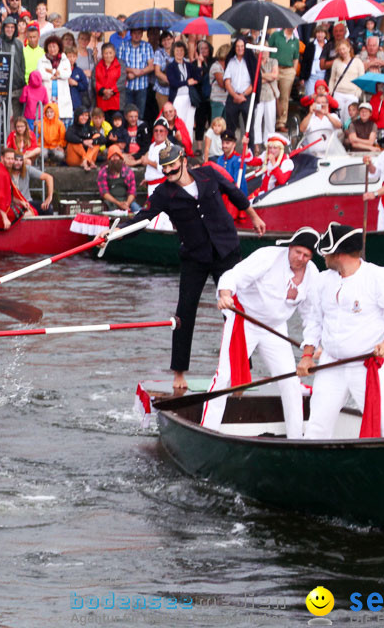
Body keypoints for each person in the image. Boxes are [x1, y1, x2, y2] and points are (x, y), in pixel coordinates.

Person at [124, 145, 266, 393]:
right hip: (194, 256)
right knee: (184, 312)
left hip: (226, 250)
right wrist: (115, 235)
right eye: (164, 167)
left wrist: (253, 215)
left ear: (184, 161)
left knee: (234, 312)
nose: (168, 171)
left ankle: (242, 370)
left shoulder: (209, 174)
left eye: (172, 165)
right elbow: (142, 219)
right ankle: (179, 372)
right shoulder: (163, 193)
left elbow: (233, 192)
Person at [201, 228, 321, 438]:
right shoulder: (267, 256)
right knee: (225, 377)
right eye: (298, 252)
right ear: (290, 247)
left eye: (306, 256)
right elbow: (233, 275)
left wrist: (311, 347)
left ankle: (296, 438)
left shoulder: (312, 275)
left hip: (275, 328)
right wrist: (226, 294)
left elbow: (311, 315)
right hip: (245, 320)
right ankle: (207, 432)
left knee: (290, 382)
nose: (301, 259)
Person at [298, 223, 384, 439]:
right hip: (331, 364)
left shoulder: (378, 277)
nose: (323, 257)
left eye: (327, 253)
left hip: (368, 364)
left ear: (339, 254)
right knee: (316, 428)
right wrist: (306, 356)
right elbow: (314, 321)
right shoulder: (323, 281)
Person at [0, 147, 36, 230]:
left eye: (12, 159)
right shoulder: (0, 174)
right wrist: (4, 218)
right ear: (2, 158)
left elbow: (8, 194)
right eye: (8, 158)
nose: (11, 161)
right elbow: (0, 198)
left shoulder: (2, 169)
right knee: (31, 212)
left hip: (0, 207)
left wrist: (20, 202)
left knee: (30, 208)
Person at [268, 27, 300, 131]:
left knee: (284, 97)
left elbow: (296, 58)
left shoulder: (295, 40)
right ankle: (269, 121)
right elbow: (268, 50)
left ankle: (281, 122)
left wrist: (294, 71)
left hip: (287, 70)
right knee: (271, 94)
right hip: (274, 68)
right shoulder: (275, 36)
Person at [223, 38, 256, 135]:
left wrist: (243, 95)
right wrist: (235, 95)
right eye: (237, 46)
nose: (240, 48)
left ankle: (249, 149)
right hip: (233, 97)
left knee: (249, 128)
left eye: (242, 46)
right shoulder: (231, 62)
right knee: (230, 127)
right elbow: (227, 82)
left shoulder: (250, 61)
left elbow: (254, 82)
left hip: (247, 97)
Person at [117, 29, 153, 116]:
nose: (137, 35)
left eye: (139, 33)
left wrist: (139, 73)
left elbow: (151, 66)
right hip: (127, 86)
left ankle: (139, 130)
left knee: (140, 114)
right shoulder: (123, 46)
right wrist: (132, 70)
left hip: (142, 87)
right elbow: (119, 66)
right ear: (131, 34)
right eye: (134, 33)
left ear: (142, 34)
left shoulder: (147, 46)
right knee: (127, 114)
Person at [37, 35, 73, 123]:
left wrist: (56, 73)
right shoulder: (42, 60)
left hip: (62, 96)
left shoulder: (65, 60)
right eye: (50, 46)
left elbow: (67, 73)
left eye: (54, 46)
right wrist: (53, 74)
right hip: (48, 94)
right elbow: (41, 74)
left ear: (58, 47)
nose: (52, 49)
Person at [98, 146, 139, 212]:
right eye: (112, 156)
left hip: (127, 201)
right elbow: (104, 193)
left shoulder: (128, 171)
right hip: (110, 202)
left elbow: (132, 191)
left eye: (117, 156)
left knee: (138, 211)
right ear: (109, 159)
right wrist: (118, 203)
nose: (115, 158)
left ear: (121, 158)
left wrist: (127, 204)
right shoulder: (103, 172)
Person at [300, 24, 330, 97]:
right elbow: (305, 62)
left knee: (322, 97)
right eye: (318, 32)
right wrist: (302, 77)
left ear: (325, 34)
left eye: (322, 32)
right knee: (310, 96)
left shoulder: (329, 45)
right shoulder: (310, 45)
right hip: (311, 75)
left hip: (324, 75)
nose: (320, 35)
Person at [94, 42, 124, 115]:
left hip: (116, 101)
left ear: (114, 53)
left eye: (110, 53)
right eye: (106, 53)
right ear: (102, 54)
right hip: (102, 100)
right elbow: (94, 81)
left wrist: (110, 92)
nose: (108, 55)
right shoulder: (98, 66)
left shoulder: (120, 65)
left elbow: (122, 81)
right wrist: (103, 91)